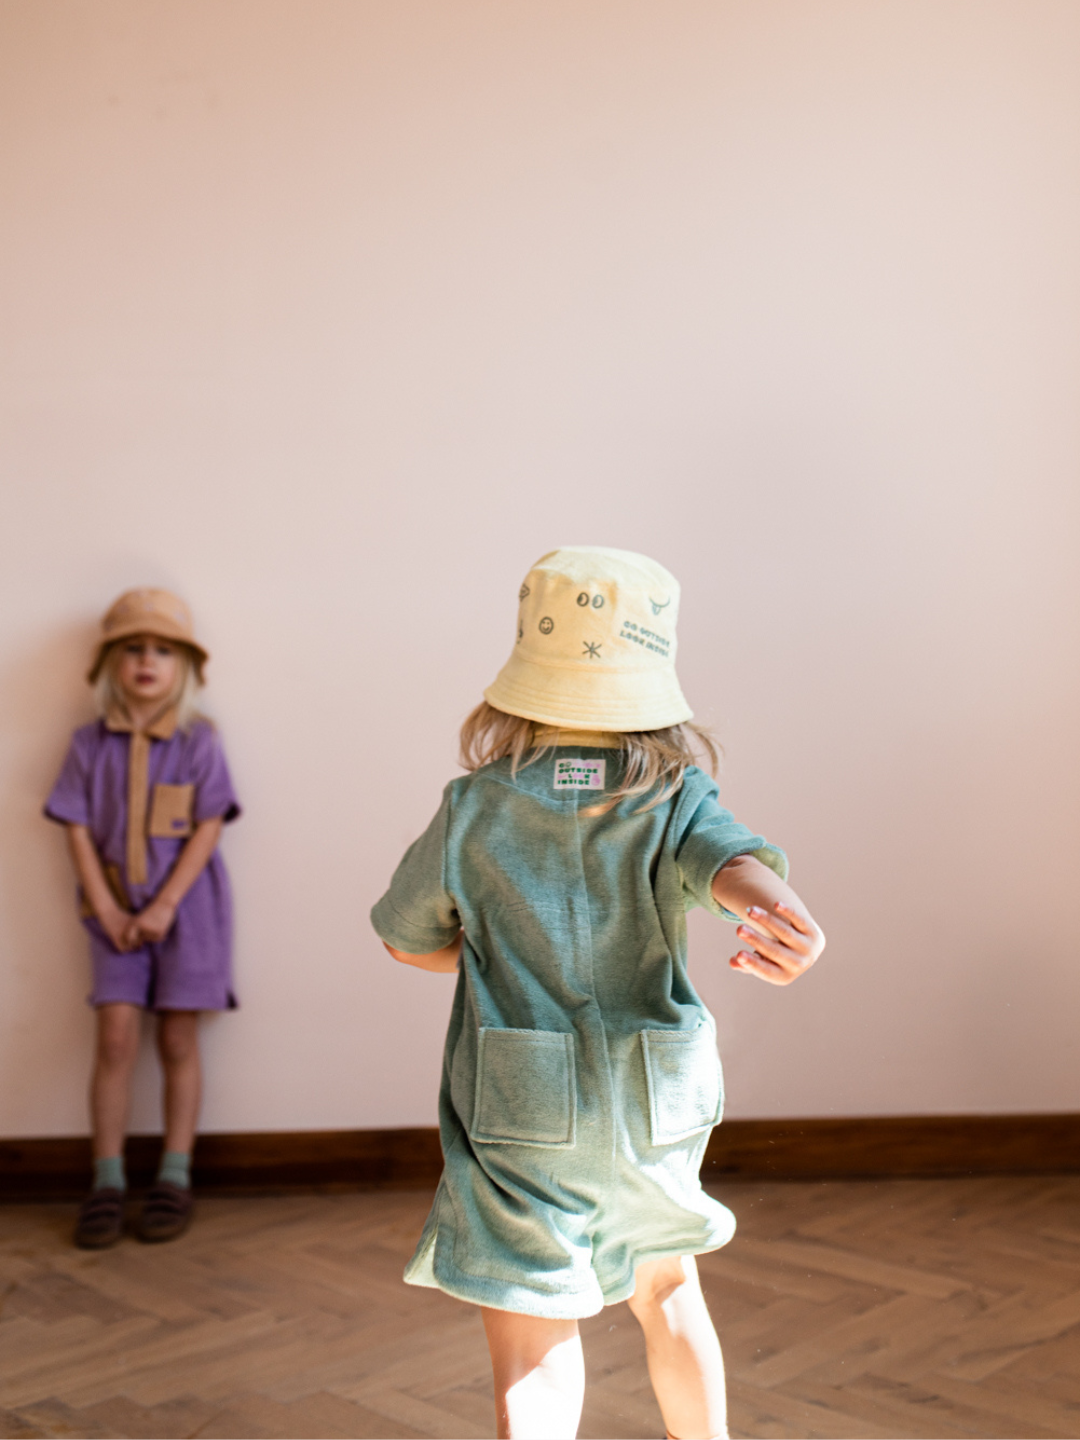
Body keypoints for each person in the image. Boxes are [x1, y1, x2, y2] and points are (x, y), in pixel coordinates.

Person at [370, 546, 826, 1440]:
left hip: (525, 1106)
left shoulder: (475, 808)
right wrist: (782, 914)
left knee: (537, 1344)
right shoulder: (675, 796)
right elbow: (733, 867)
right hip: (657, 1094)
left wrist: (487, 953)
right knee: (671, 1289)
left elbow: (406, 939)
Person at [45, 588, 240, 1249]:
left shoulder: (198, 742)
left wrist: (161, 907)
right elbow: (72, 827)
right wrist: (106, 907)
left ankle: (175, 1177)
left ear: (183, 666)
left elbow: (209, 826)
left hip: (188, 916)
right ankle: (105, 1181)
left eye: (162, 650)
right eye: (133, 650)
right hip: (112, 919)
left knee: (179, 1041)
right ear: (111, 665)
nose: (147, 662)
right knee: (117, 1039)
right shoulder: (85, 745)